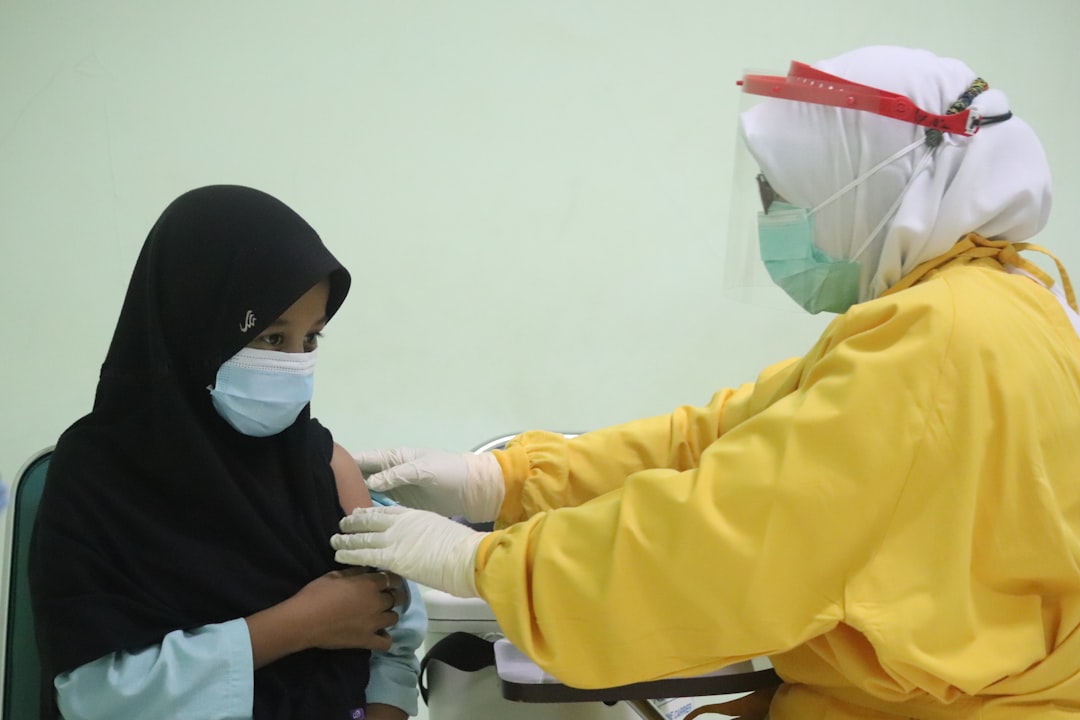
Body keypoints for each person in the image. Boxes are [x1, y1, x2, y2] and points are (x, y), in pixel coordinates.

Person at [330, 46, 1080, 719]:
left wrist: (484, 564)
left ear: (866, 187)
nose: (773, 218)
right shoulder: (1005, 301)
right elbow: (725, 437)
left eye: (783, 194)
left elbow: (730, 532)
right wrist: (502, 479)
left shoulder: (937, 341)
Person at [30, 185, 426, 720]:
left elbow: (393, 641)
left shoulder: (324, 464)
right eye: (269, 337)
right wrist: (300, 624)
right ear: (193, 324)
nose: (294, 364)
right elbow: (100, 698)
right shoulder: (97, 475)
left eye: (311, 340)